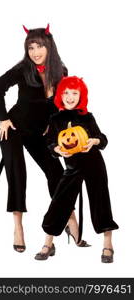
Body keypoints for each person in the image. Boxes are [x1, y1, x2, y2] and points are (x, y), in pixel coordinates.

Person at [0, 25, 81, 253]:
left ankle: (69, 216)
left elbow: (62, 104)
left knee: (57, 172)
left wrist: (55, 126)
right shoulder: (23, 69)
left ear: (49, 46)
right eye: (31, 47)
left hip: (40, 132)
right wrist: (2, 119)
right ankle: (18, 226)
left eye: (39, 46)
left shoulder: (62, 71)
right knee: (17, 173)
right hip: (14, 129)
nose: (35, 51)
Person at [35, 76, 119, 262]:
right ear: (61, 95)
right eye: (66, 93)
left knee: (100, 200)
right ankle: (48, 243)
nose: (70, 97)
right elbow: (49, 143)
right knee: (59, 202)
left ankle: (108, 243)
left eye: (74, 93)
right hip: (72, 167)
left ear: (81, 95)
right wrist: (57, 149)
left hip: (94, 163)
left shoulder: (87, 117)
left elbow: (102, 138)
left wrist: (94, 141)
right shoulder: (55, 119)